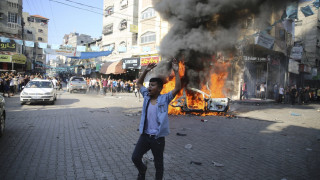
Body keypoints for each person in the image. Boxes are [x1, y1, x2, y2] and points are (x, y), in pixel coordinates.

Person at [132, 59, 181, 180]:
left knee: (159, 164)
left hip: (157, 138)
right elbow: (139, 84)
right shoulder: (146, 97)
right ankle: (142, 169)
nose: (149, 87)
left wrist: (176, 71)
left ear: (159, 89)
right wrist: (145, 71)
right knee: (135, 157)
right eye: (149, 85)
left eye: (152, 85)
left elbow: (177, 88)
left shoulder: (164, 99)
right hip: (145, 136)